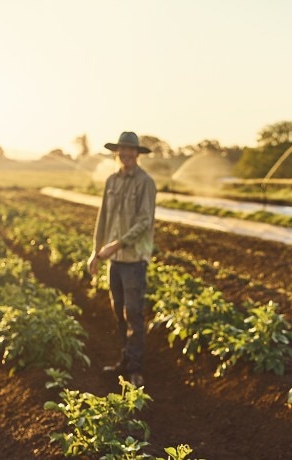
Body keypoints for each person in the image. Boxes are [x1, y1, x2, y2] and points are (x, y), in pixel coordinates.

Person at [87, 131, 157, 388]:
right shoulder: (112, 181)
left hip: (134, 260)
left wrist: (116, 245)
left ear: (137, 154)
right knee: (119, 314)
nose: (126, 154)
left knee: (134, 314)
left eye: (131, 150)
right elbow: (103, 218)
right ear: (116, 152)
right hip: (114, 262)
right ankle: (125, 361)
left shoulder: (145, 182)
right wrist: (96, 252)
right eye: (122, 150)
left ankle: (136, 370)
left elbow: (144, 221)